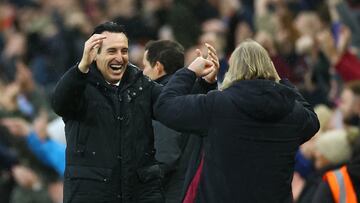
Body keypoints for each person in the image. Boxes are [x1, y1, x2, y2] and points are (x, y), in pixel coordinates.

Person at [51, 21, 218, 203]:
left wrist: (203, 83)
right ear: (94, 54)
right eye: (112, 51)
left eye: (124, 50)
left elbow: (172, 106)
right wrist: (81, 67)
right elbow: (60, 104)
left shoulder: (140, 84)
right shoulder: (79, 85)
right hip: (91, 194)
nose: (120, 57)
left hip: (140, 194)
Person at [154, 39, 320, 202]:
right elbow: (313, 121)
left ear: (232, 69)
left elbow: (165, 106)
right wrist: (282, 81)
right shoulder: (291, 110)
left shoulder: (218, 105)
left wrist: (189, 72)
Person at [142, 40, 218, 202]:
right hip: (192, 189)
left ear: (158, 67)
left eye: (145, 66)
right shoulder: (196, 94)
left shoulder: (163, 100)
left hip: (170, 192)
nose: (143, 72)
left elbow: (165, 155)